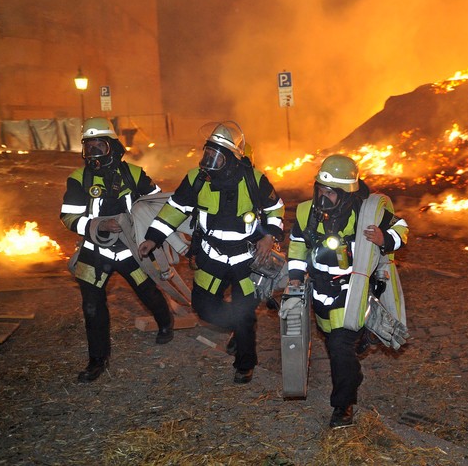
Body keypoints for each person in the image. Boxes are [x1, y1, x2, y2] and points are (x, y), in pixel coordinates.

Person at [138, 121, 285, 384]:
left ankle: (245, 364)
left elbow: (276, 209)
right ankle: (239, 329)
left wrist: (269, 237)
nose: (209, 161)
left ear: (231, 159)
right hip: (211, 256)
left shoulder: (254, 179)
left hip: (246, 261)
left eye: (217, 156)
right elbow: (174, 209)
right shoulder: (196, 178)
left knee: (244, 311)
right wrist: (153, 238)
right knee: (203, 308)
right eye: (208, 153)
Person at [287, 154, 409, 428]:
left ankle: (343, 406)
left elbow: (402, 227)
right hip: (320, 295)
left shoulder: (367, 212)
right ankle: (355, 360)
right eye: (320, 189)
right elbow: (297, 244)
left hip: (353, 293)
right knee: (334, 343)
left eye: (329, 192)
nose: (322, 197)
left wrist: (385, 238)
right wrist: (295, 276)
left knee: (339, 347)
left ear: (345, 193)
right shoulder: (307, 211)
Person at [60, 117, 174, 383]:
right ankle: (97, 360)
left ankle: (165, 321)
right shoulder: (78, 179)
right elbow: (68, 217)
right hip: (93, 252)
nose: (93, 154)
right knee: (92, 306)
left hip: (130, 250)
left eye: (99, 147)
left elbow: (156, 202)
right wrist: (99, 226)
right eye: (88, 148)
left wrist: (151, 235)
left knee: (147, 291)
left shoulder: (133, 173)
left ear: (112, 146)